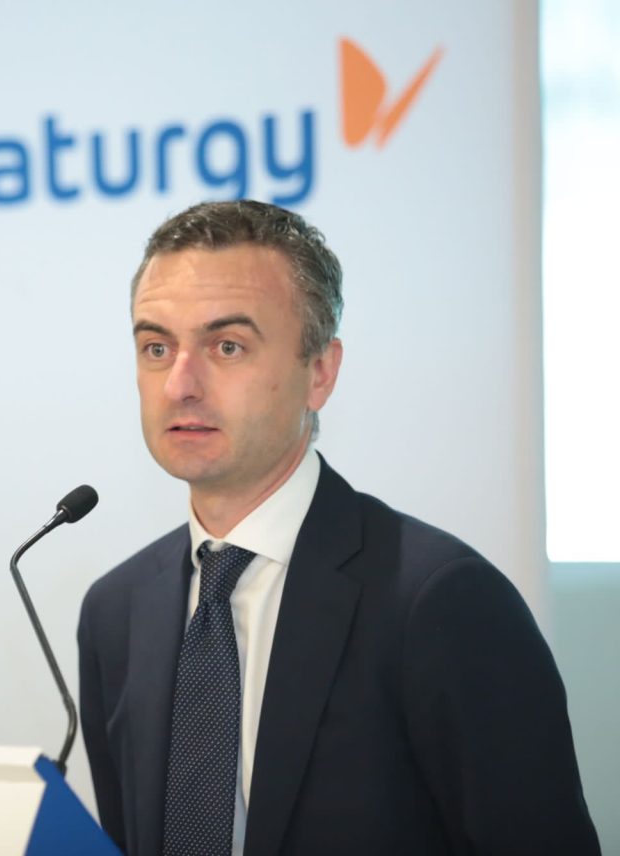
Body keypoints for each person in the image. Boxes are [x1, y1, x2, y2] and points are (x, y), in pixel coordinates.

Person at [77, 200, 599, 855]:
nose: (180, 384)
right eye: (157, 348)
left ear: (320, 372)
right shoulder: (115, 612)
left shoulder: (441, 601)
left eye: (227, 346)